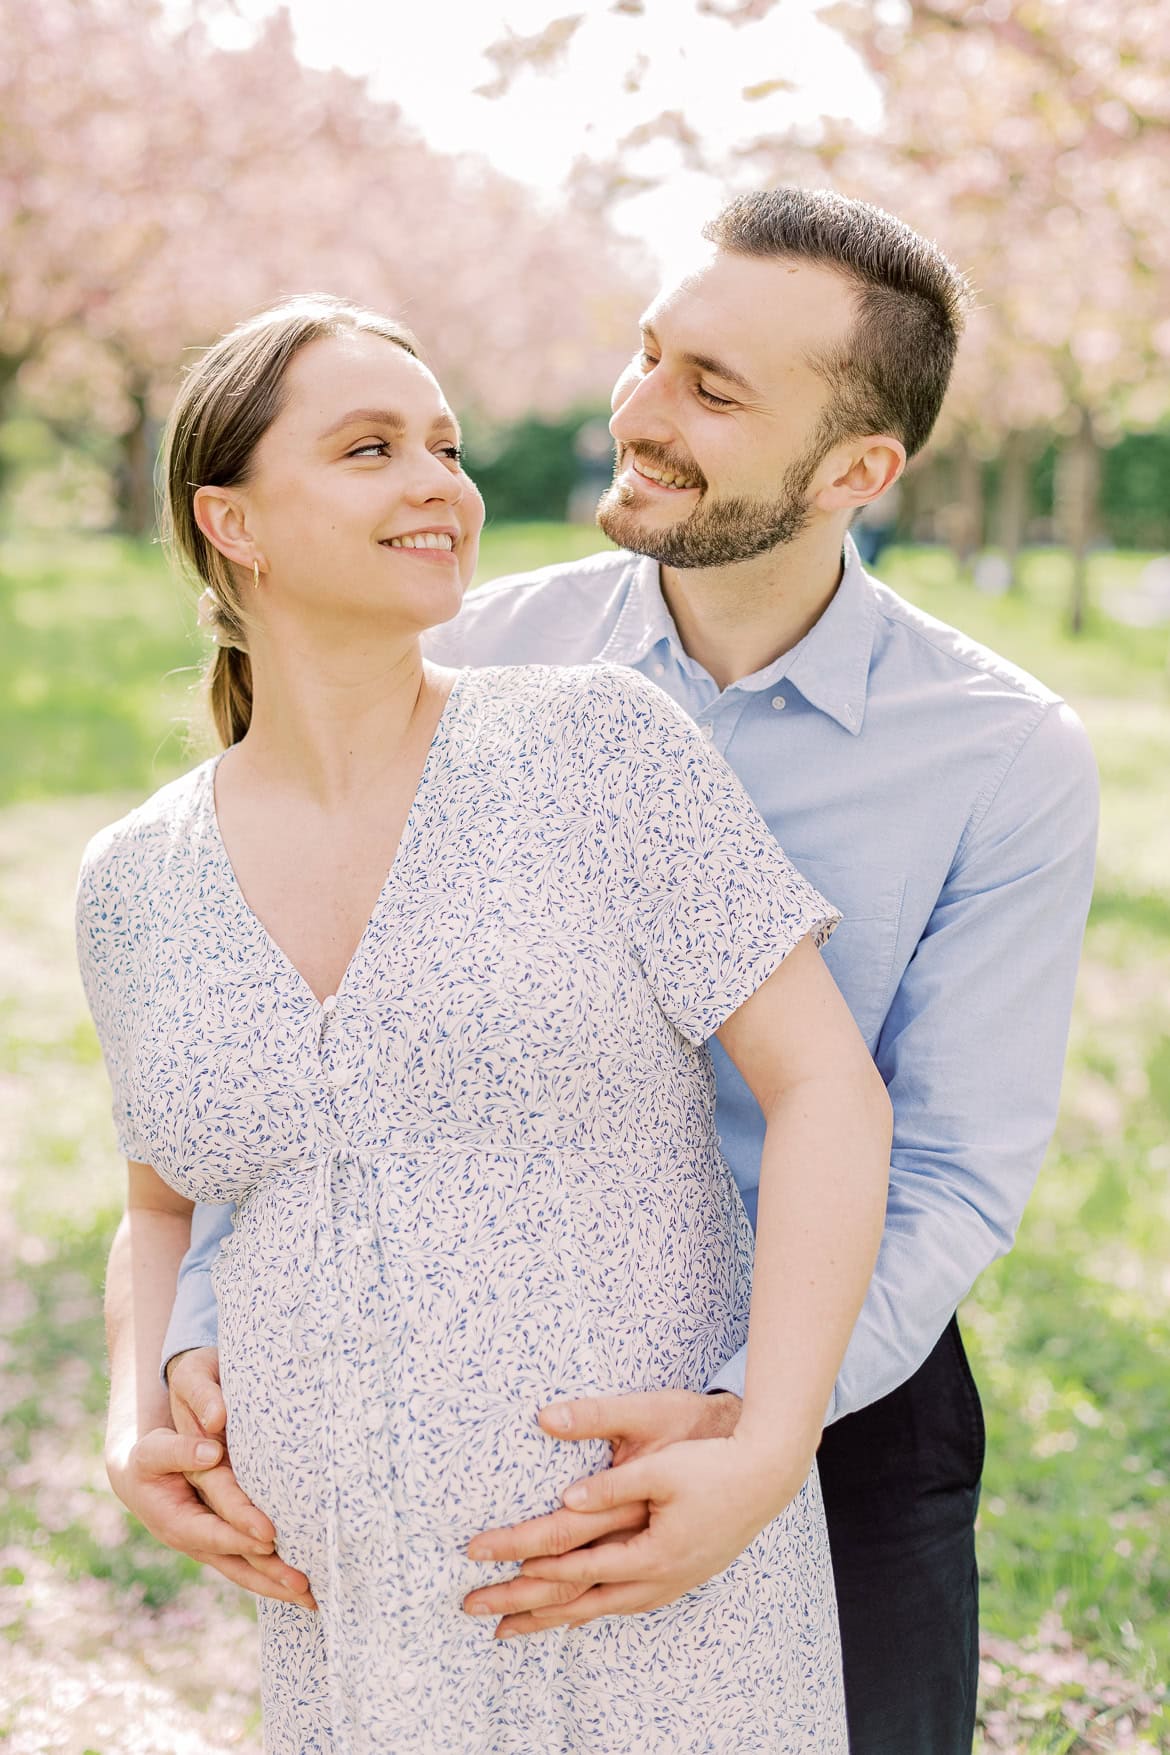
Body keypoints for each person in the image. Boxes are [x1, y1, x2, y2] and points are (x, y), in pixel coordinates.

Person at [105, 188, 1099, 1755]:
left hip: (836, 1382)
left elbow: (949, 1166)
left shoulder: (997, 754)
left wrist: (753, 1423)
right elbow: (282, 1043)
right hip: (464, 1380)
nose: (635, 411)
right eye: (650, 355)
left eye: (712, 391)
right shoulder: (474, 652)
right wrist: (184, 1351)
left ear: (857, 471)